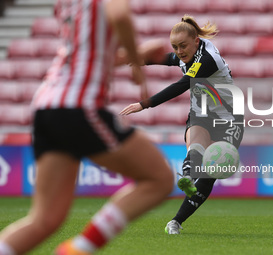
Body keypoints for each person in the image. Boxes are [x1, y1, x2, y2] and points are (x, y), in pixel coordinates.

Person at [0, 0, 173, 254]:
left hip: (47, 105)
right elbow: (120, 16)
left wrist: (138, 54)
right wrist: (137, 63)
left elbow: (90, 54)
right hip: (78, 105)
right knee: (159, 179)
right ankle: (79, 249)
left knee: (45, 220)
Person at [120, 15, 244, 234]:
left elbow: (182, 85)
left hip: (228, 119)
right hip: (202, 113)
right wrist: (144, 60)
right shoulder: (189, 53)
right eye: (175, 46)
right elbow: (171, 59)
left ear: (196, 41)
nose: (179, 51)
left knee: (209, 174)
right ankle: (187, 176)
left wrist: (145, 104)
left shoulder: (207, 59)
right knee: (196, 145)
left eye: (183, 46)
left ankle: (176, 220)